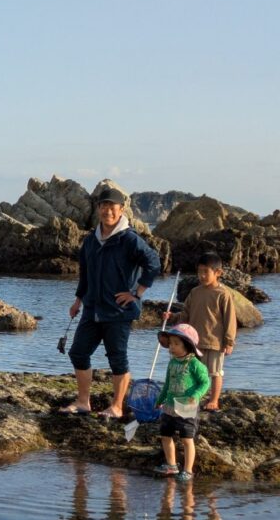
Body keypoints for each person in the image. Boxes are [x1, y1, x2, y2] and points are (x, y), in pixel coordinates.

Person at [60, 186, 161, 419]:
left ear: (121, 210)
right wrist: (77, 301)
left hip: (119, 311)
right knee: (78, 352)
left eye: (112, 207)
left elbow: (153, 262)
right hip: (92, 308)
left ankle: (116, 407)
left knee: (117, 359)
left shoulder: (129, 239)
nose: (108, 211)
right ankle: (83, 402)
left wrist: (136, 293)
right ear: (98, 209)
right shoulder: (90, 241)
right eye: (104, 206)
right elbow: (85, 274)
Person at [164, 252, 237, 412]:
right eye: (199, 271)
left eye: (206, 272)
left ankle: (214, 400)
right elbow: (186, 314)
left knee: (215, 372)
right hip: (193, 341)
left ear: (218, 272)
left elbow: (230, 320)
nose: (202, 275)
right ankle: (192, 398)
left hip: (214, 342)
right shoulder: (195, 292)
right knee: (192, 372)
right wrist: (173, 317)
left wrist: (229, 341)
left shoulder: (223, 294)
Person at [154, 324, 211, 481]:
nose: (171, 347)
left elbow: (205, 383)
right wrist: (160, 400)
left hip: (187, 405)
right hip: (169, 406)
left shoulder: (195, 364)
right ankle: (171, 465)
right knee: (165, 435)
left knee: (187, 439)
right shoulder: (172, 363)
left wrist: (196, 395)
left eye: (176, 344)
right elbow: (167, 384)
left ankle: (187, 470)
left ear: (188, 345)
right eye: (170, 343)